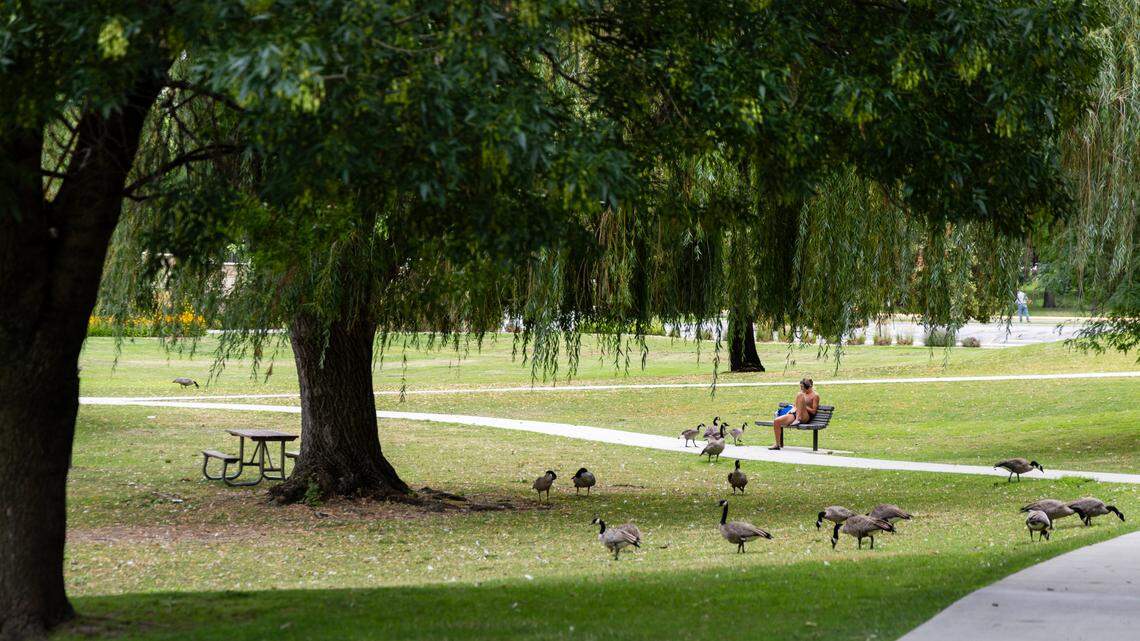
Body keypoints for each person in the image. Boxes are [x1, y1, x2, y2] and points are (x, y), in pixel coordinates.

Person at [769, 378, 819, 450]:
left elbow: (814, 411)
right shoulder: (801, 394)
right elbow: (795, 406)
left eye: (802, 387)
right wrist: (791, 411)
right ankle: (777, 444)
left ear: (808, 387)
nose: (801, 388)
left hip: (805, 416)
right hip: (796, 414)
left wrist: (803, 406)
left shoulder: (815, 396)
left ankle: (797, 419)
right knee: (777, 421)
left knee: (799, 394)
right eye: (800, 386)